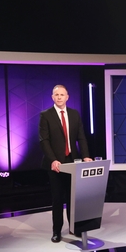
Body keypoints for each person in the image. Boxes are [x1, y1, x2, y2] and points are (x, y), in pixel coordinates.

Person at [38, 85, 92, 243]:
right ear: (52, 97)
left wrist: (86, 156)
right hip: (55, 163)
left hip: (72, 162)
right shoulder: (46, 115)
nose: (59, 97)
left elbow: (81, 137)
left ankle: (74, 227)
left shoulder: (74, 114)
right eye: (56, 95)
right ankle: (56, 231)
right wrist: (53, 159)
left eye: (62, 94)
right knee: (57, 198)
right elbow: (44, 141)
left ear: (67, 97)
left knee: (72, 198)